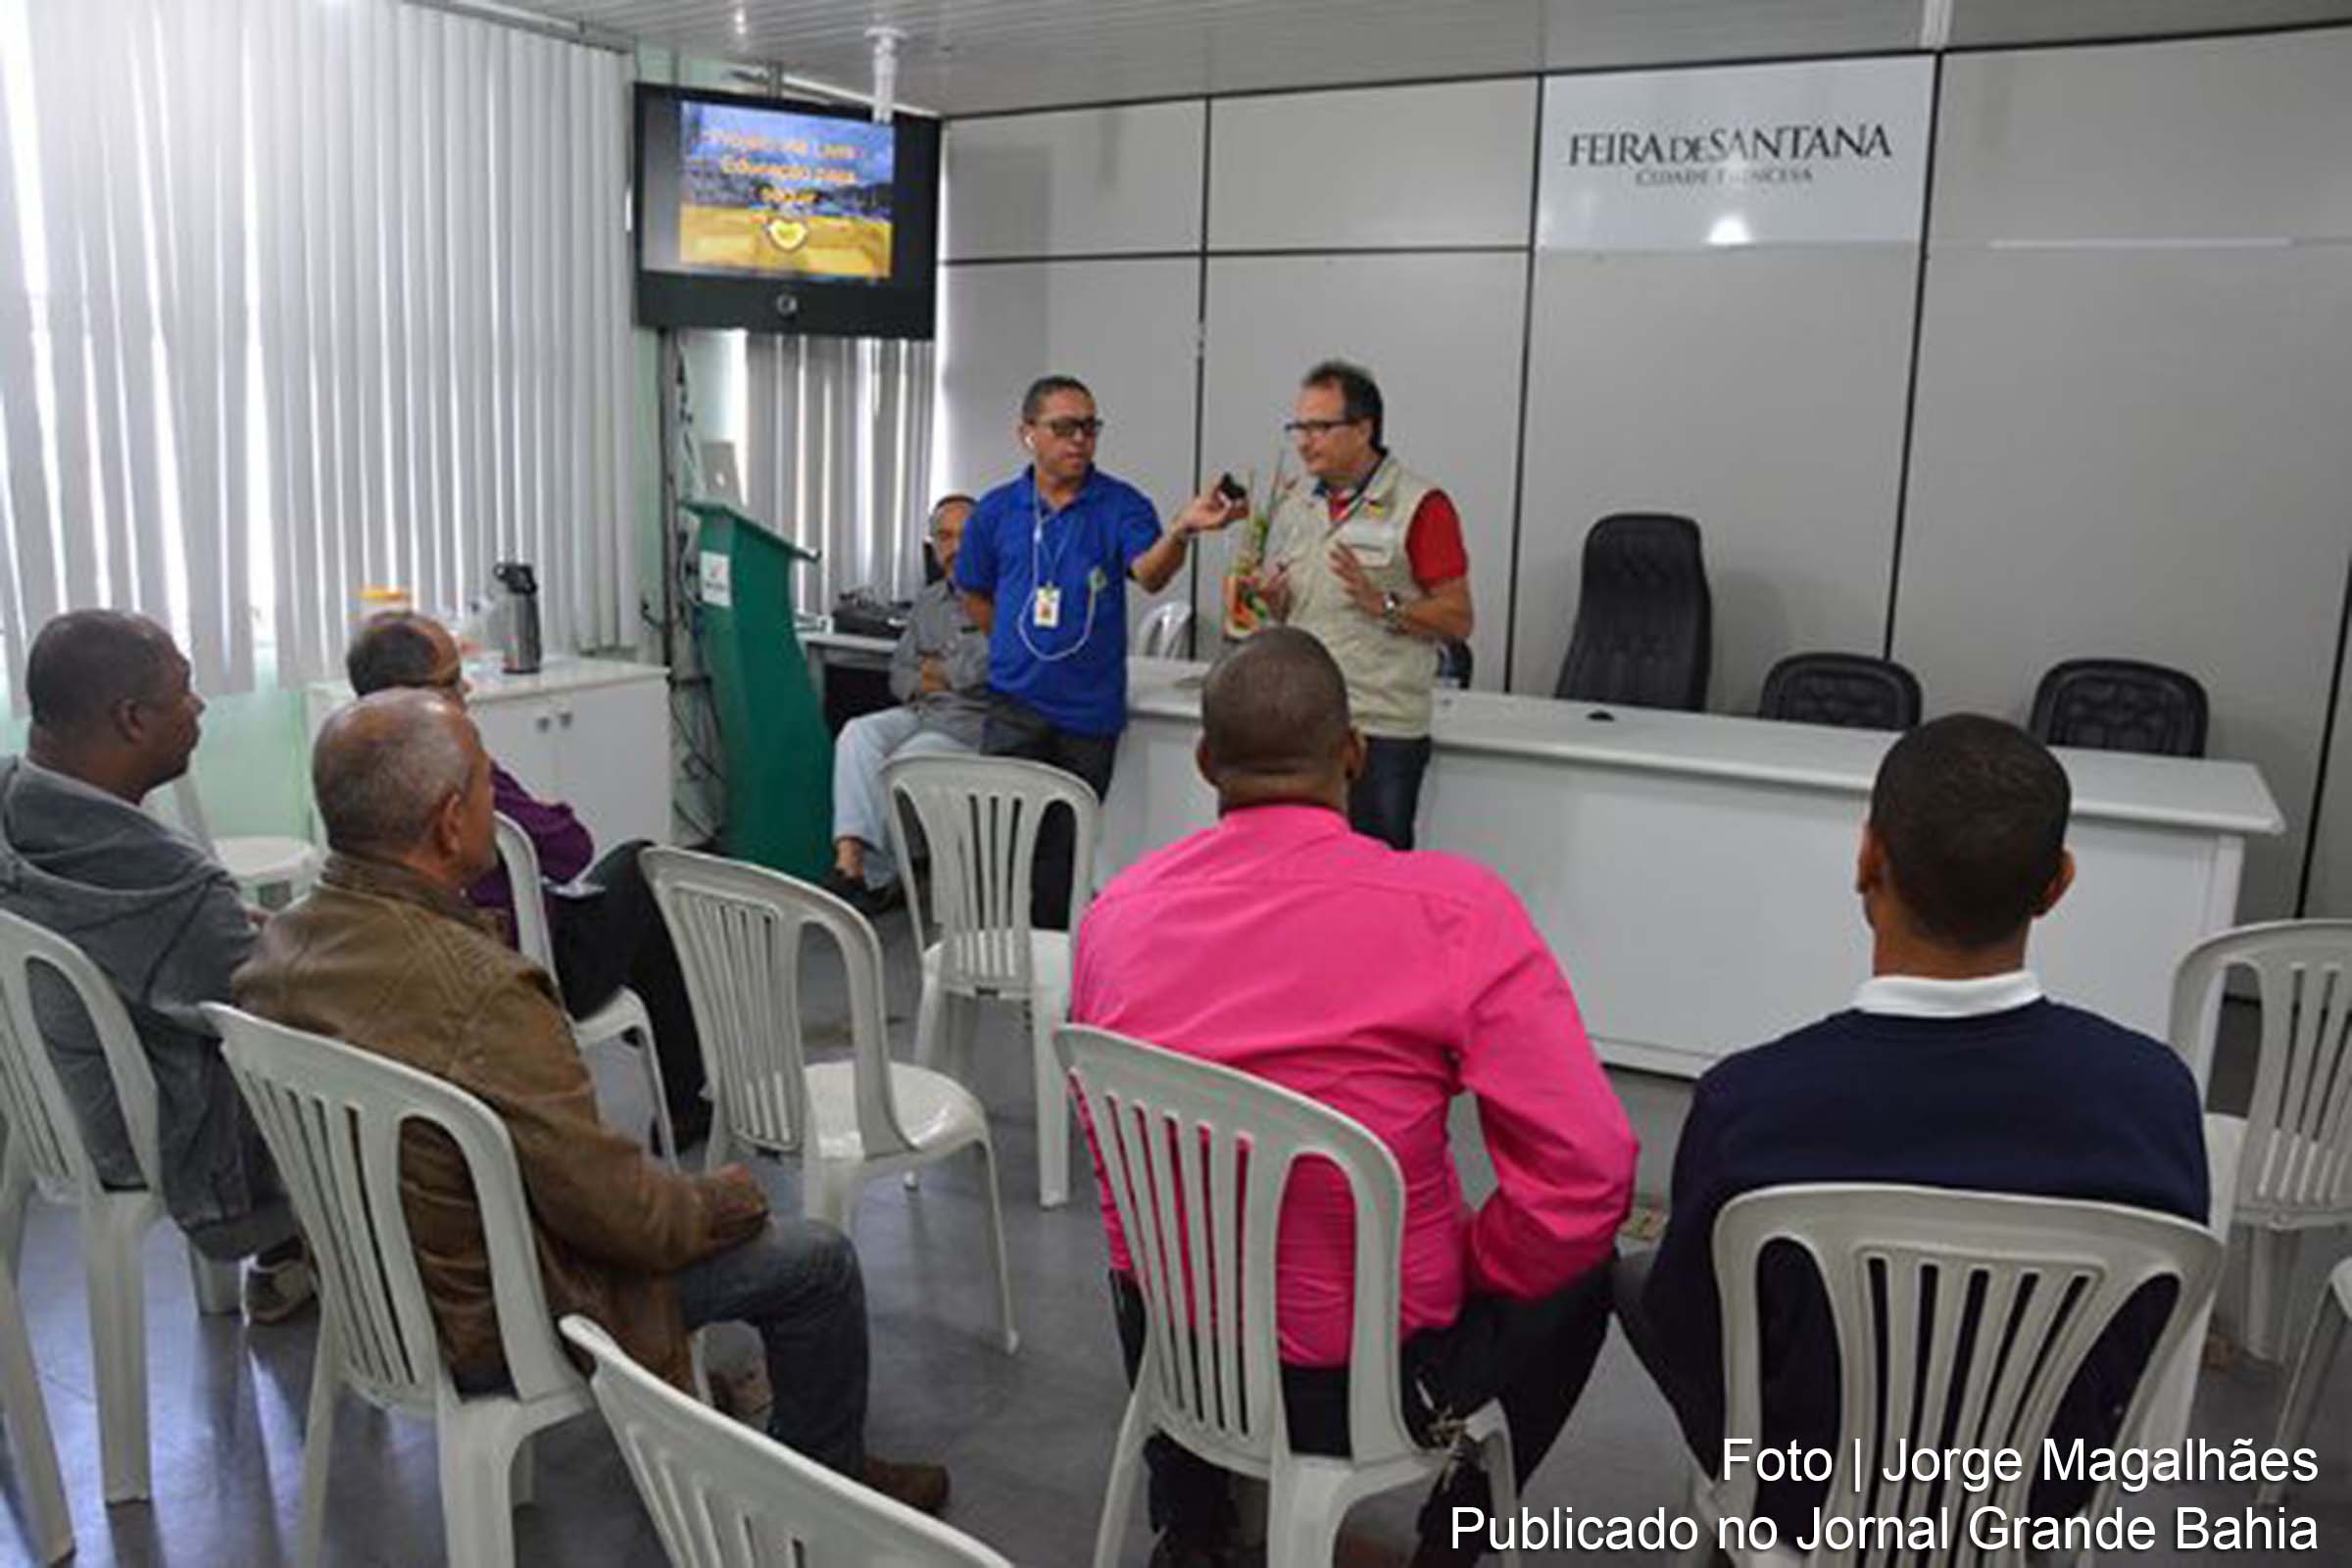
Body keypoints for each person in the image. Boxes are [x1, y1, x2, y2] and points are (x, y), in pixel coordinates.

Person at [234, 689, 948, 1509]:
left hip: (377, 1295)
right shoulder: (482, 994)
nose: (493, 801)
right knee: (817, 1262)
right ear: (447, 823)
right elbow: (627, 1220)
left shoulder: (277, 948)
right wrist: (727, 1198)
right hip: (503, 1313)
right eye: (483, 786)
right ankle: (821, 1495)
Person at [1070, 628, 1637, 1568]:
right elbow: (1589, 1172)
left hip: (1181, 1348)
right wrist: (1478, 1259)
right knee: (1585, 1272)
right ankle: (1456, 1536)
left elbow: (1114, 1147)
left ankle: (1194, 1522)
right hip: (1376, 1382)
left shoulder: (1115, 914)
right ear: (1356, 754)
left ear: (1206, 763)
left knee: (1147, 1227)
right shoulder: (1456, 911)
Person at [1620, 714, 2209, 1540]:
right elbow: (2139, 1334)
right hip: (2031, 1503)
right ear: (2058, 883)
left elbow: (1694, 1327)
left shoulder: (1752, 1103)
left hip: (1804, 1500)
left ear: (1868, 860)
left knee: (1639, 1280)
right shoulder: (2156, 1098)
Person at [0, 611, 311, 1320]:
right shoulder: (174, 889)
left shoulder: (16, 804)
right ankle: (354, 1269)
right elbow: (271, 1002)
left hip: (45, 1103)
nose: (199, 708)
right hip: (157, 1135)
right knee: (381, 1045)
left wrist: (237, 928)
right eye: (185, 691)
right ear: (132, 719)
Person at [344, 612, 709, 1147]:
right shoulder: (462, 769)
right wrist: (547, 811)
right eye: (452, 680)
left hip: (421, 975)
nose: (465, 688)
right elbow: (570, 845)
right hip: (521, 975)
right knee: (640, 868)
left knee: (631, 906)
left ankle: (672, 1065)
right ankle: (682, 1096)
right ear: (413, 695)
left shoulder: (349, 770)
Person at [956, 373, 1246, 927]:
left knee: (1064, 854)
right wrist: (1015, 647)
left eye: (1089, 428)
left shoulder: (1120, 504)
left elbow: (1151, 574)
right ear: (1027, 433)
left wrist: (1182, 531)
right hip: (1014, 704)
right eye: (1064, 428)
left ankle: (1056, 971)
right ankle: (1001, 960)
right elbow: (974, 590)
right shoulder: (996, 510)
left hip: (1087, 713)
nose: (1079, 441)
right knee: (1005, 845)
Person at [1247, 360, 1473, 851]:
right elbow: (1308, 609)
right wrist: (1276, 600)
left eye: (1320, 427)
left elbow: (1458, 618)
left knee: (1374, 877)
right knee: (1306, 871)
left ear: (1364, 429)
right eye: (1299, 427)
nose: (1305, 441)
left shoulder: (1418, 504)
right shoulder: (1300, 505)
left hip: (1379, 729)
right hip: (1307, 722)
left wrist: (1385, 604)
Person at [823, 494, 986, 916]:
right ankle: (850, 868)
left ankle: (886, 876)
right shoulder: (929, 601)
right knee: (857, 734)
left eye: (966, 536)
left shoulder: (1001, 595)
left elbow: (988, 672)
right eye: (944, 537)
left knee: (904, 763)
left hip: (972, 726)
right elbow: (899, 675)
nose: (955, 548)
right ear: (932, 545)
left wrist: (940, 672)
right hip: (923, 712)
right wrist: (938, 674)